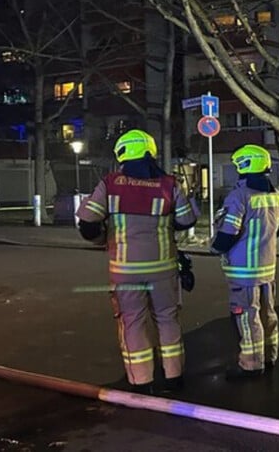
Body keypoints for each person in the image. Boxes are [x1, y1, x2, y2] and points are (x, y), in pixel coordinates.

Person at [75, 129, 198, 394]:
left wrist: (101, 237)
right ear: (150, 151)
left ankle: (141, 383)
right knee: (167, 320)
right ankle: (174, 377)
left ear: (122, 153)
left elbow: (87, 223)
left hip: (125, 270)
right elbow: (187, 220)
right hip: (163, 269)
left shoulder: (110, 183)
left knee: (132, 322)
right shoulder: (169, 184)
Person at [210, 144, 279, 381]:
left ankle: (251, 364)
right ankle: (270, 356)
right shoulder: (276, 195)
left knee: (246, 316)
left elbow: (228, 233)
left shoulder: (240, 196)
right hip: (267, 268)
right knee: (267, 313)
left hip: (244, 272)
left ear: (245, 165)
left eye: (238, 166)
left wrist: (214, 247)